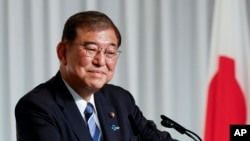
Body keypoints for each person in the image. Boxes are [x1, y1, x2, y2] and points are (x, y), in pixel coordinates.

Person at [15, 11, 177, 141]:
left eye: (110, 52)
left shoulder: (120, 99)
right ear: (63, 52)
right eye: (91, 49)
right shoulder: (37, 107)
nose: (100, 61)